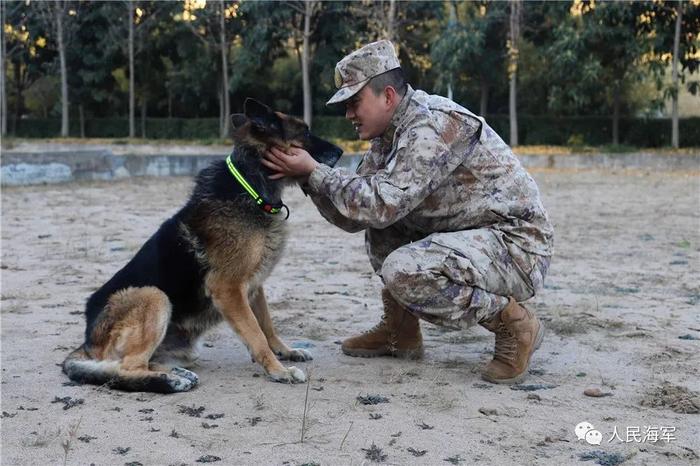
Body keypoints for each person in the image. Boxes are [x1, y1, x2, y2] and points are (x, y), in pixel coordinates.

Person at [262, 40, 554, 384]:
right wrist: (308, 178)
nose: (349, 115)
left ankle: (516, 324)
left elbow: (382, 203)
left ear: (387, 96)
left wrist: (316, 171)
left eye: (354, 103)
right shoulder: (389, 135)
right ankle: (400, 332)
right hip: (473, 237)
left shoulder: (430, 126)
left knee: (404, 268)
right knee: (381, 225)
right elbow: (355, 216)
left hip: (515, 246)